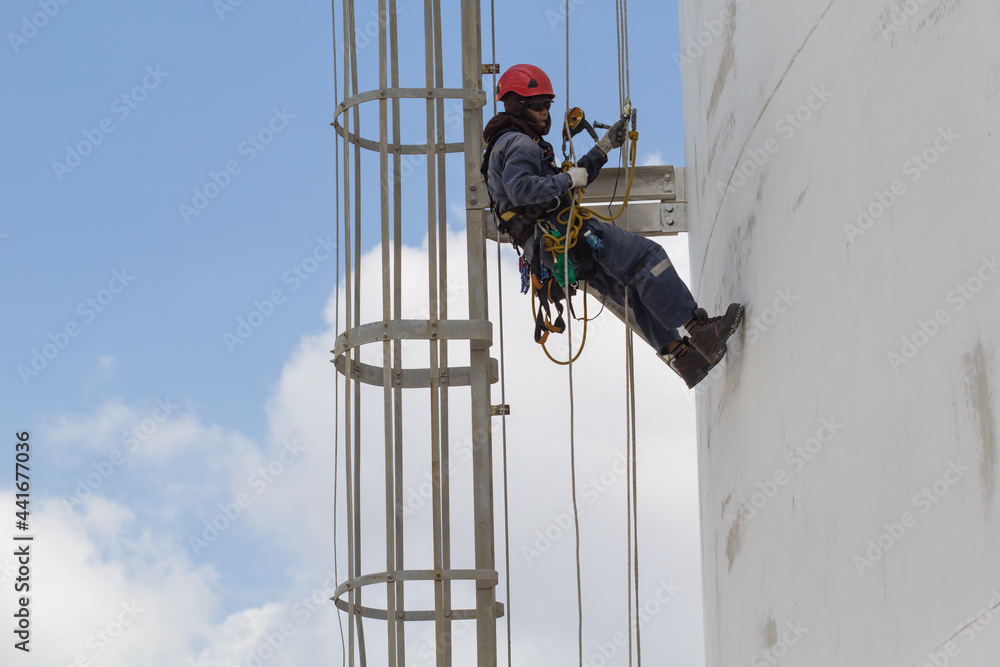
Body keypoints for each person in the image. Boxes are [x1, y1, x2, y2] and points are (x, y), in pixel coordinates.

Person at [483, 64, 743, 388]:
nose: (545, 113)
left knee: (629, 289)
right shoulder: (519, 144)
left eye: (547, 105)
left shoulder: (507, 145)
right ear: (516, 105)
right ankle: (701, 329)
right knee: (645, 259)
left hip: (557, 247)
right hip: (571, 236)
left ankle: (684, 358)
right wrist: (566, 179)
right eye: (538, 106)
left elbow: (554, 187)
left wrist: (603, 147)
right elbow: (523, 189)